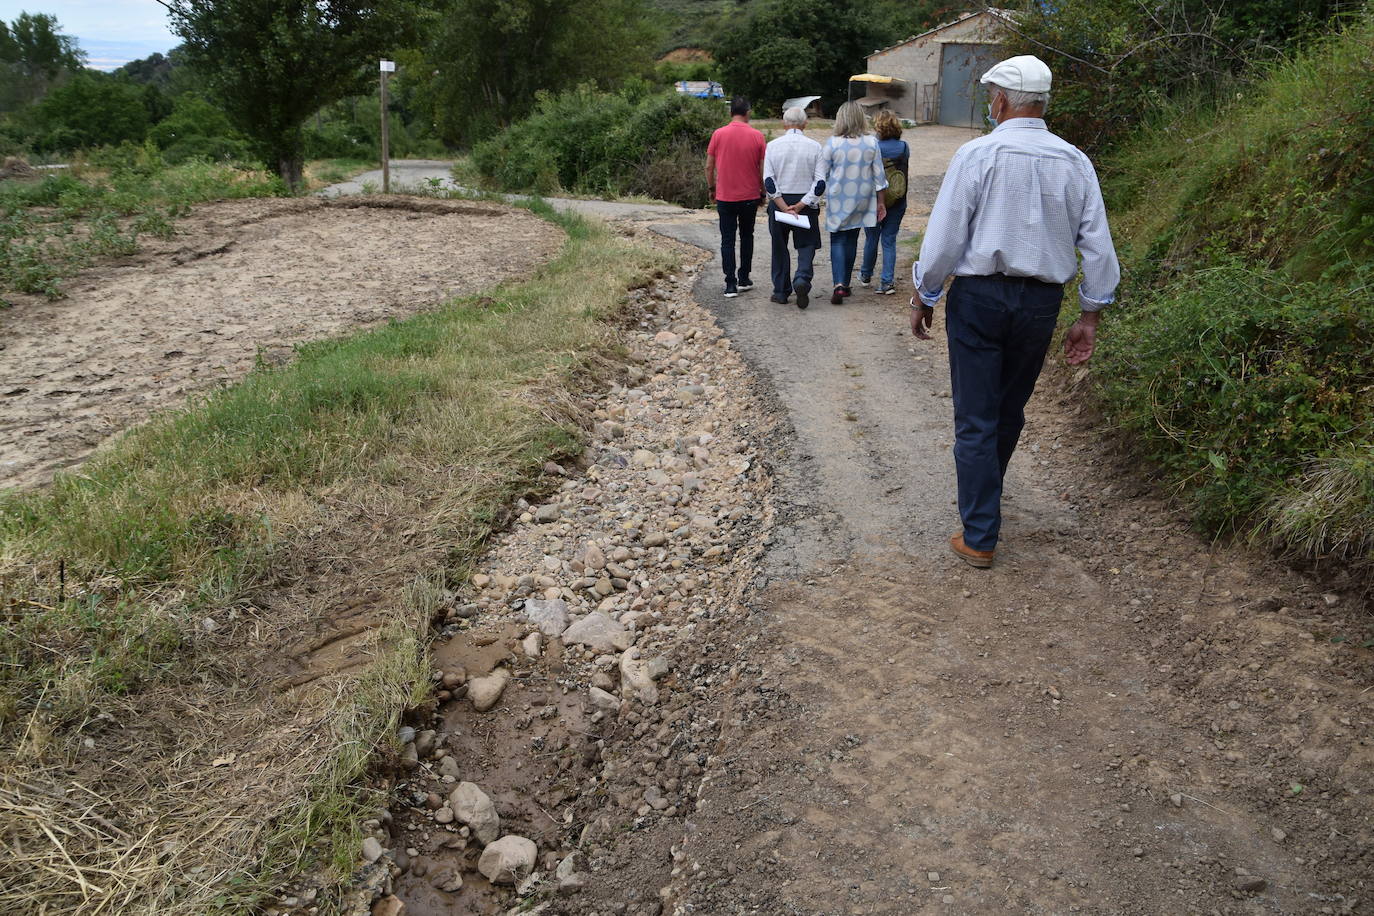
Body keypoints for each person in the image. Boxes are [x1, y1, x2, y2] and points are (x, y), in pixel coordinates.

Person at [910, 54, 1120, 569]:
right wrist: (1090, 314)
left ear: (1001, 101)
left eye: (990, 98)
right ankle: (986, 501)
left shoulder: (979, 154)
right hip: (1040, 304)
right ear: (1041, 103)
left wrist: (926, 293)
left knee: (976, 415)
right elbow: (1097, 245)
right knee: (1008, 409)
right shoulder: (1075, 161)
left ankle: (980, 532)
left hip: (980, 297)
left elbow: (944, 237)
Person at [819, 102, 887, 305]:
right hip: (863, 198)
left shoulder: (832, 143)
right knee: (852, 238)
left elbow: (823, 174)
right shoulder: (871, 142)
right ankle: (846, 284)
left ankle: (839, 284)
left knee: (838, 239)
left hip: (839, 196)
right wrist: (881, 202)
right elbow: (879, 176)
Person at [763, 106, 826, 309]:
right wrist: (799, 205)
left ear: (784, 124)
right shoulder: (815, 146)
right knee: (806, 245)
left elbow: (769, 181)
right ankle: (802, 278)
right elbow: (820, 184)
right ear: (805, 124)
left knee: (779, 246)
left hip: (780, 204)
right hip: (805, 204)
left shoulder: (772, 146)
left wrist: (783, 206)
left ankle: (781, 291)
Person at [706, 96, 767, 298]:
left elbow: (709, 166)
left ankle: (730, 284)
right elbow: (762, 169)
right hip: (749, 195)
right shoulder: (757, 136)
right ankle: (744, 277)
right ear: (747, 112)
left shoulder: (718, 134)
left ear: (730, 112)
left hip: (725, 196)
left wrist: (711, 188)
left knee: (727, 240)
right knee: (747, 236)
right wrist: (762, 191)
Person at [858, 110, 909, 295]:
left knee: (872, 238)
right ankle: (887, 282)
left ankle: (866, 274)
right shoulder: (904, 147)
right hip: (897, 199)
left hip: (874, 199)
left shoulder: (873, 147)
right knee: (889, 240)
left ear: (878, 127)